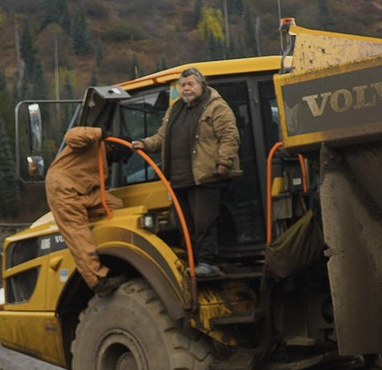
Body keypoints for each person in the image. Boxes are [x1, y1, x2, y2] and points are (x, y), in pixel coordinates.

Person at [132, 67, 240, 278]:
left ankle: (208, 262)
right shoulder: (175, 110)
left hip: (207, 176)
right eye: (183, 85)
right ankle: (197, 261)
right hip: (179, 178)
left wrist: (224, 162)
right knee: (184, 223)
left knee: (204, 221)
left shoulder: (216, 107)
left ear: (202, 84)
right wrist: (144, 144)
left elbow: (230, 135)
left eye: (190, 84)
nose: (186, 89)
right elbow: (161, 137)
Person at [45, 126, 127, 297]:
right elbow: (71, 136)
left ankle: (111, 250)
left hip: (84, 190)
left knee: (117, 206)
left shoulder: (102, 160)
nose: (115, 162)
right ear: (113, 147)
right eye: (118, 158)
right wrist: (99, 133)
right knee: (77, 232)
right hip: (63, 187)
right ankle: (98, 280)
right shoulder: (92, 142)